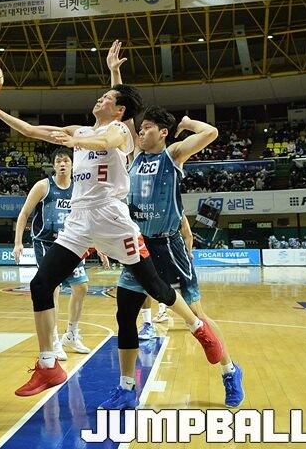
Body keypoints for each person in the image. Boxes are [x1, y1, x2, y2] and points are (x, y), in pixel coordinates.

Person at [0, 46, 223, 397]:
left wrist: (76, 138)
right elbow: (31, 130)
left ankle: (199, 327)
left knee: (154, 285)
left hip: (111, 217)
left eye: (106, 97)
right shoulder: (79, 130)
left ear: (119, 110)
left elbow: (106, 138)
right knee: (41, 284)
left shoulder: (120, 132)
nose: (100, 99)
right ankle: (48, 365)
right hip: (79, 220)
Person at [102, 40, 243, 409]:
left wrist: (186, 124)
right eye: (141, 127)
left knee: (196, 315)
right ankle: (126, 387)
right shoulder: (132, 154)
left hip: (168, 247)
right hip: (137, 246)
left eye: (147, 128)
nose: (140, 132)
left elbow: (210, 133)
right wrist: (115, 72)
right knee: (125, 315)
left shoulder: (173, 154)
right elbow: (121, 115)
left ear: (162, 132)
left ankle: (229, 370)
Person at [13, 146, 90, 361]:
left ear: (73, 164)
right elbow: (24, 213)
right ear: (54, 166)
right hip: (46, 244)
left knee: (81, 287)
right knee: (52, 289)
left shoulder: (79, 188)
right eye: (58, 161)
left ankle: (71, 334)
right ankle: (54, 340)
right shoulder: (43, 186)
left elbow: (87, 216)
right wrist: (18, 243)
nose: (62, 164)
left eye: (66, 161)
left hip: (71, 242)